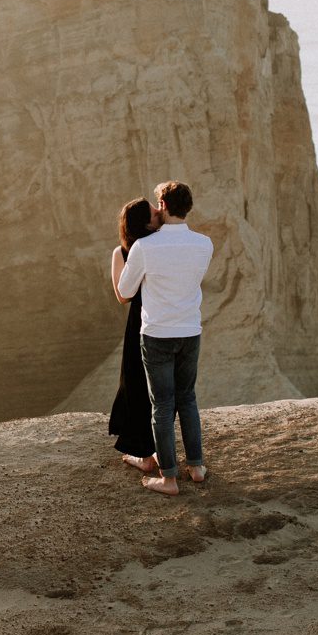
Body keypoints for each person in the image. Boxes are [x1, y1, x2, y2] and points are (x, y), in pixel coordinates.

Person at [114, 180, 213, 495]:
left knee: (162, 405)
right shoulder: (204, 244)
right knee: (188, 399)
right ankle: (196, 467)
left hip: (157, 333)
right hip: (190, 331)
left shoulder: (144, 247)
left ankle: (168, 478)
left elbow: (125, 291)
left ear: (164, 206)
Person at [107, 198, 161, 476]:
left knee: (137, 382)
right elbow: (122, 296)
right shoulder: (158, 246)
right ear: (145, 223)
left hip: (141, 320)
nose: (159, 212)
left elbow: (123, 295)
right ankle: (155, 452)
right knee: (153, 385)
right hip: (156, 318)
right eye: (154, 211)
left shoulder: (123, 252)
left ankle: (145, 455)